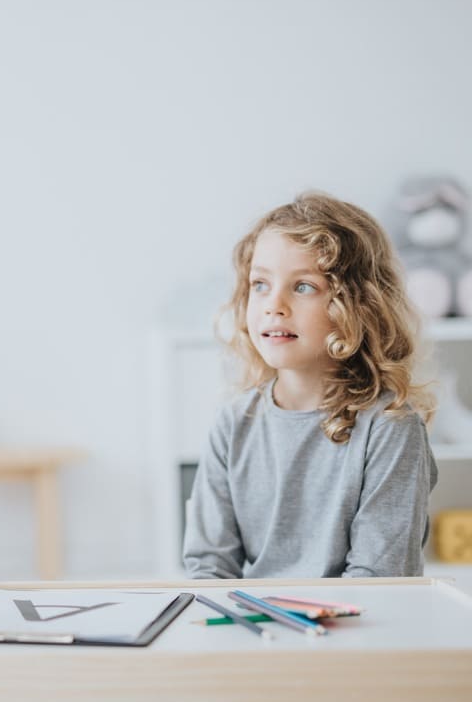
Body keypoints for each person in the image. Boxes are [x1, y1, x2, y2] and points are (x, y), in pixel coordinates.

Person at [183, 191, 438, 579]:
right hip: (264, 629)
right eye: (260, 284)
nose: (274, 305)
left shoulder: (390, 427)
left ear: (356, 306)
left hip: (362, 632)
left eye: (303, 287)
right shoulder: (234, 423)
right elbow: (209, 565)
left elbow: (380, 579)